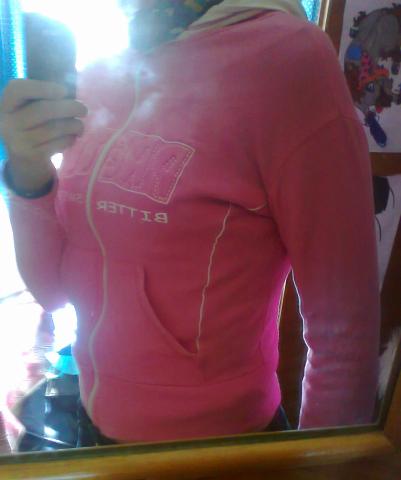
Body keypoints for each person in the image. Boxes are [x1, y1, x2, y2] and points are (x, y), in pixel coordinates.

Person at [0, 0, 380, 445]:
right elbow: (55, 291)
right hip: (95, 435)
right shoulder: (104, 65)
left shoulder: (289, 59)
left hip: (220, 451)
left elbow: (344, 334)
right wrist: (27, 171)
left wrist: (327, 468)